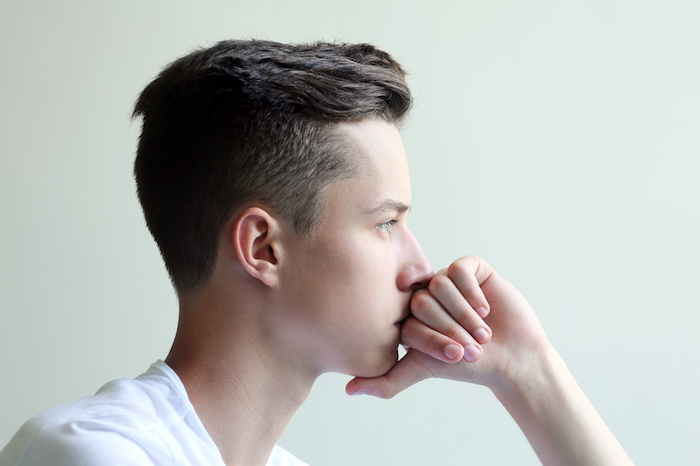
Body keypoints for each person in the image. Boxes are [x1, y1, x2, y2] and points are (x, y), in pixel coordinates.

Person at [0, 40, 633, 466]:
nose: (420, 268)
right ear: (263, 248)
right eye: (386, 223)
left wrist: (528, 371)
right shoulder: (93, 454)